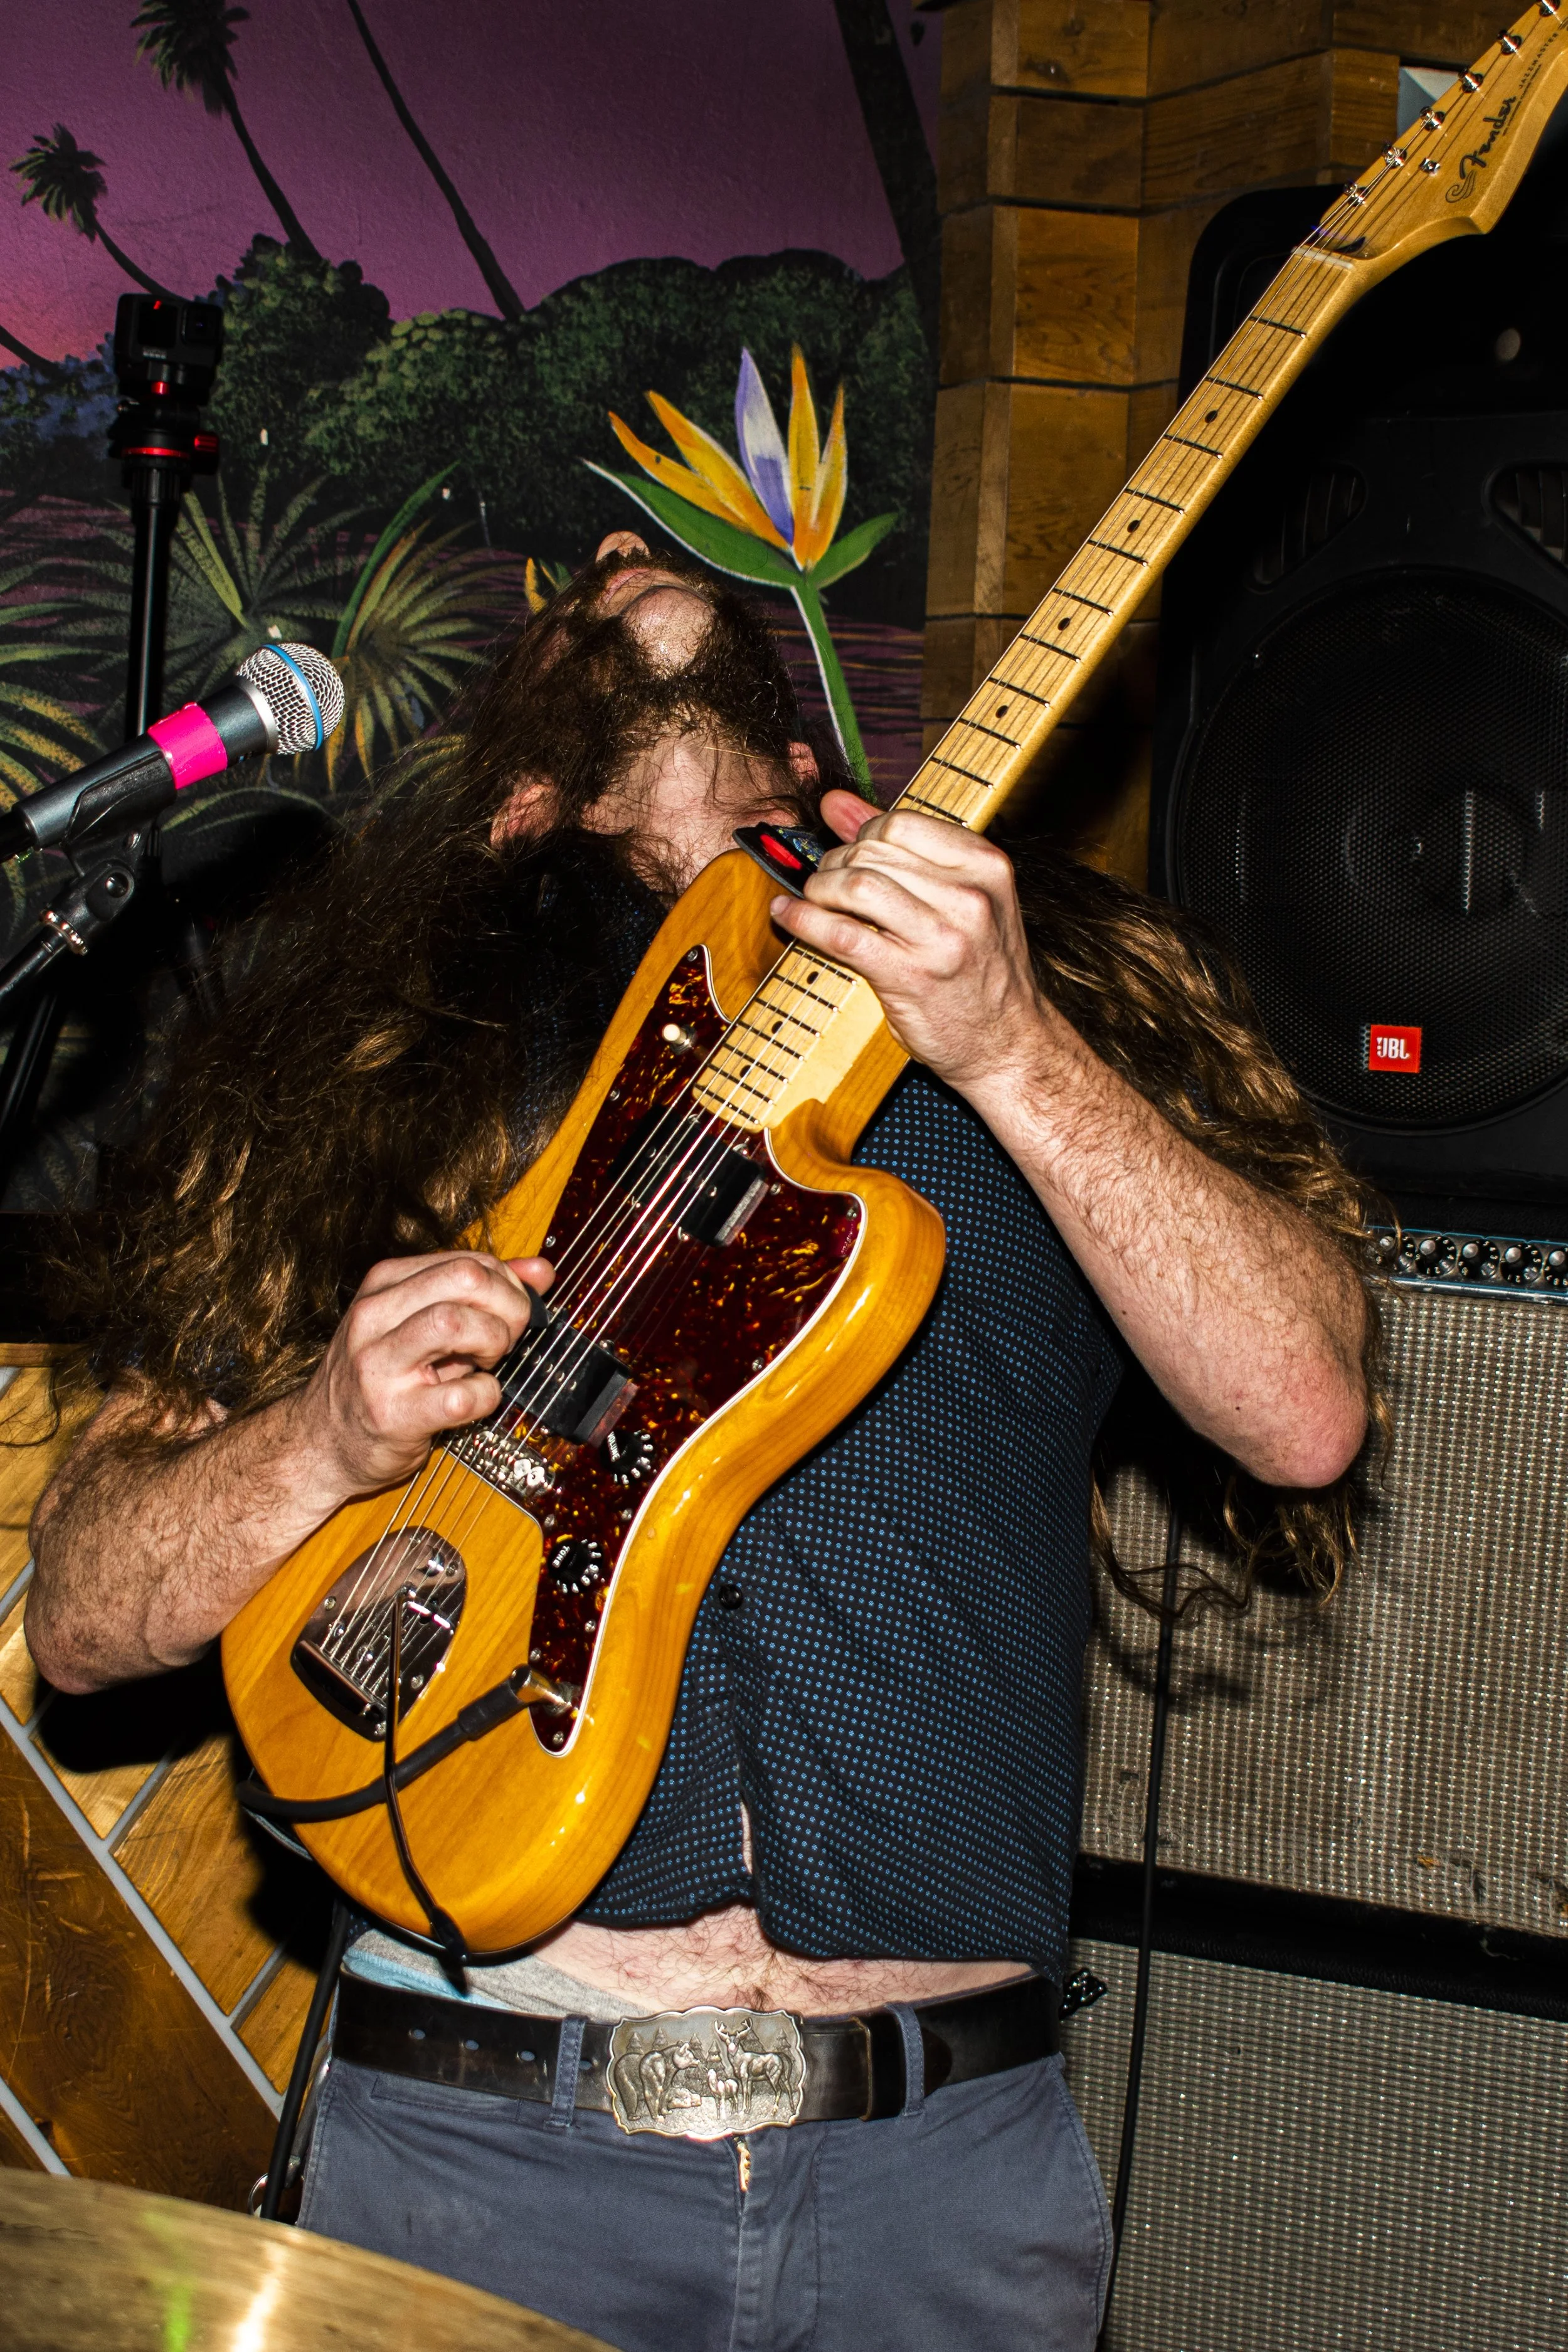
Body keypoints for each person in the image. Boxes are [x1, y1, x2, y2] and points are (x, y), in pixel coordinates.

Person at [26, 534, 1377, 2352]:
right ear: (521, 785)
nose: (612, 548)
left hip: (940, 2183)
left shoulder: (1044, 971)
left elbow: (1302, 1408)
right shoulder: (361, 1045)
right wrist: (322, 1434)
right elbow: (84, 1615)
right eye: (573, 573)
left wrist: (1009, 1042)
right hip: (475, 2144)